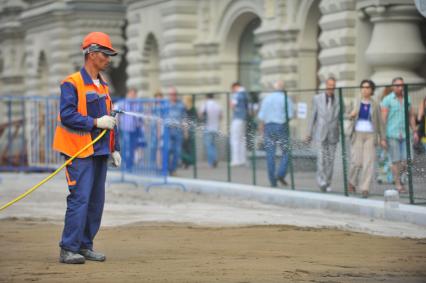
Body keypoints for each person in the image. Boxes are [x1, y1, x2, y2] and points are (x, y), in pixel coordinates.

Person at [52, 31, 121, 264]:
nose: (108, 59)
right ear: (91, 54)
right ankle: (68, 247)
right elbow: (68, 115)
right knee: (80, 199)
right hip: (78, 151)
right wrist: (95, 122)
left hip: (100, 151)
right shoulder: (71, 84)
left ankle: (84, 245)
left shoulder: (103, 86)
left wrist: (115, 148)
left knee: (95, 201)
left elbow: (110, 118)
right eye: (105, 53)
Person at [347, 79, 386, 198]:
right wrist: (351, 115)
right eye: (363, 87)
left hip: (370, 135)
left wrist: (382, 138)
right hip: (357, 134)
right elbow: (347, 116)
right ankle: (352, 182)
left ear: (371, 90)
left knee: (368, 163)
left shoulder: (375, 103)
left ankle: (365, 188)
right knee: (356, 161)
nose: (365, 89)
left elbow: (380, 122)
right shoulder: (355, 101)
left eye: (367, 87)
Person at [381, 77, 418, 193]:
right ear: (392, 87)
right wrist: (382, 137)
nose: (400, 87)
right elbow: (383, 119)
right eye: (397, 85)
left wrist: (415, 130)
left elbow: (411, 115)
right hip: (392, 134)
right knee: (395, 161)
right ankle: (398, 184)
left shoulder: (408, 98)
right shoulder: (387, 100)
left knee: (408, 159)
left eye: (401, 85)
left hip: (406, 134)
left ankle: (399, 178)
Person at [306, 77, 340, 192]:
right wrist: (309, 133)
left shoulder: (339, 99)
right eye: (329, 85)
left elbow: (341, 116)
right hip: (320, 133)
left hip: (333, 133)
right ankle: (321, 179)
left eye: (333, 86)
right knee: (321, 159)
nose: (331, 88)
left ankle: (328, 182)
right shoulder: (317, 98)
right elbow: (313, 117)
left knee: (330, 160)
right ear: (326, 85)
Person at [258, 80, 293, 187]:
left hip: (269, 127)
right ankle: (281, 173)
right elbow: (290, 114)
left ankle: (272, 181)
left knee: (270, 154)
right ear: (282, 88)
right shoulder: (286, 98)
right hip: (281, 125)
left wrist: (262, 128)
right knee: (286, 151)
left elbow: (261, 116)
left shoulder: (267, 99)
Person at [114, 88, 143, 172]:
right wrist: (117, 127)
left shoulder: (138, 105)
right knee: (126, 147)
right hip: (125, 129)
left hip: (135, 129)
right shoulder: (122, 104)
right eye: (131, 94)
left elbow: (140, 117)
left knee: (133, 147)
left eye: (134, 95)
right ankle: (126, 165)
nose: (132, 96)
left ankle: (129, 165)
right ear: (128, 94)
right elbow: (117, 115)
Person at [199, 93, 223, 168]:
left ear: (206, 97)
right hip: (215, 127)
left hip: (207, 127)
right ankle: (214, 159)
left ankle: (211, 162)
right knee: (213, 145)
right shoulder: (217, 105)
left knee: (208, 145)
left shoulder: (205, 105)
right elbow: (221, 116)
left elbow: (200, 115)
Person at [166, 87, 186, 175]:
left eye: (174, 94)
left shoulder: (181, 105)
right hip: (168, 130)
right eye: (171, 94)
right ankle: (167, 168)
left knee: (177, 151)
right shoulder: (165, 105)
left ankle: (173, 170)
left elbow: (184, 118)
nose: (173, 96)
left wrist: (185, 131)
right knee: (168, 149)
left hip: (178, 131)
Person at [230, 82, 249, 166]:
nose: (232, 91)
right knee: (242, 139)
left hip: (237, 118)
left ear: (235, 87)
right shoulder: (245, 94)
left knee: (235, 139)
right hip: (243, 118)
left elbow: (232, 105)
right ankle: (243, 159)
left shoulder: (237, 95)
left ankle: (236, 160)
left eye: (232, 89)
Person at [181, 95, 197, 168]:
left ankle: (189, 161)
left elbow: (186, 120)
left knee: (186, 147)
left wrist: (185, 131)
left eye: (184, 99)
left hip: (187, 130)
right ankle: (187, 162)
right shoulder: (192, 108)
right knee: (188, 147)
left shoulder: (187, 109)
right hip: (190, 129)